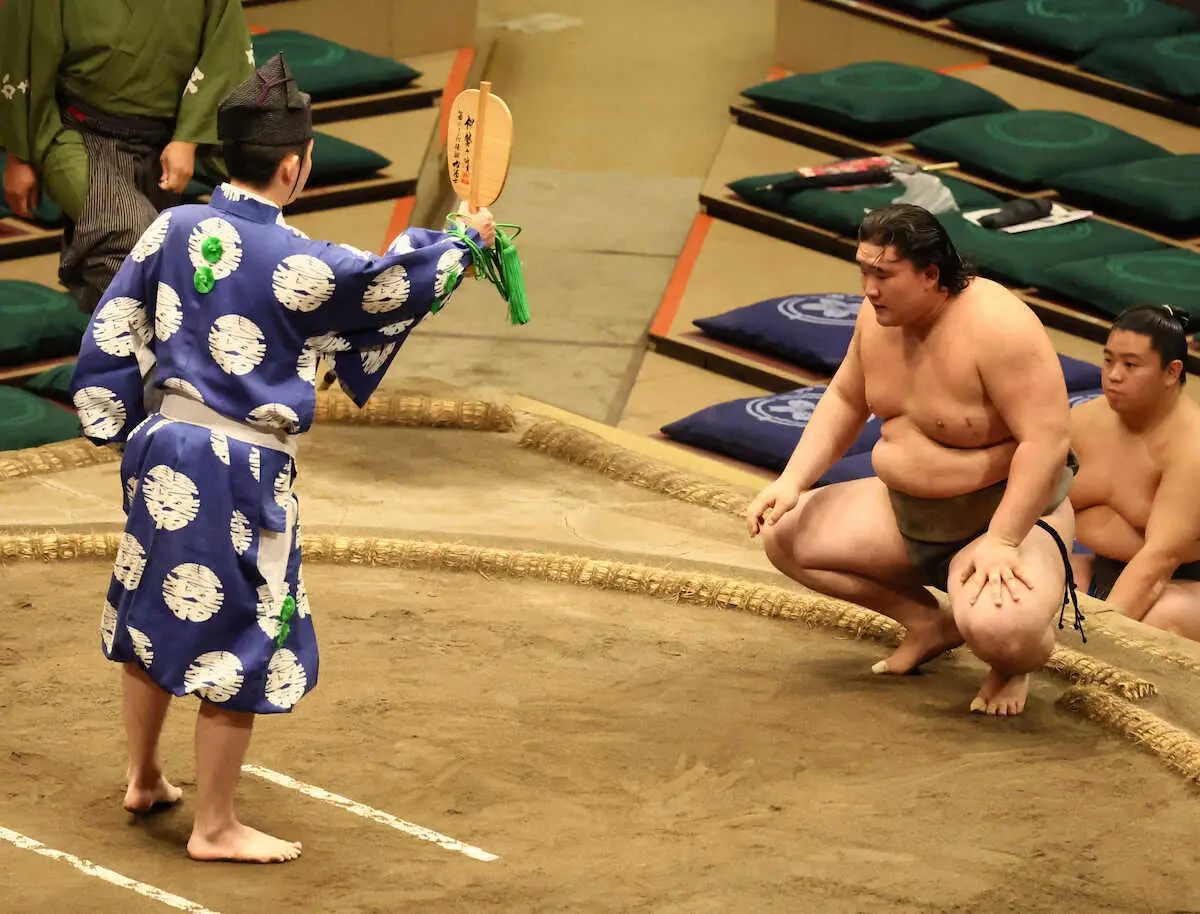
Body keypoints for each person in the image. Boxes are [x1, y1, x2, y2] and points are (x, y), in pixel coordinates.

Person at [69, 53, 497, 864]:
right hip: (241, 466)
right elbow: (389, 283)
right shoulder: (302, 262)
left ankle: (144, 776)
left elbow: (113, 322)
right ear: (295, 166)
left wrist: (112, 421)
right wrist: (461, 241)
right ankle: (214, 826)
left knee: (155, 608)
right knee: (248, 630)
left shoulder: (171, 226)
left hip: (163, 447)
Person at [747, 204, 1082, 717]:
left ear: (930, 275)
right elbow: (846, 398)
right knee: (785, 534)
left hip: (1005, 519)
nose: (869, 289)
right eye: (863, 271)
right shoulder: (878, 316)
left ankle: (1010, 666)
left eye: (883, 274)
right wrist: (792, 481)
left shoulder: (999, 326)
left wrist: (1002, 539)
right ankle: (928, 623)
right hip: (908, 512)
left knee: (1001, 630)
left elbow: (1047, 441)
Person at [0, 0, 255, 313]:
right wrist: (19, 155)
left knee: (125, 262)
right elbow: (24, 41)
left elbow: (225, 49)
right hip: (76, 135)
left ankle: (115, 340)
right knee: (136, 237)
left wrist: (188, 138)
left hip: (167, 138)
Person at [1069, 304, 1200, 641]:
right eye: (1108, 360)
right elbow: (1038, 506)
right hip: (1097, 564)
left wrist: (1097, 634)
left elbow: (1159, 561)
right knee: (1041, 585)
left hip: (1185, 583)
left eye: (1130, 365)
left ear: (1171, 372)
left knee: (1157, 622)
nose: (1114, 375)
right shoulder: (1084, 420)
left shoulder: (1191, 446)